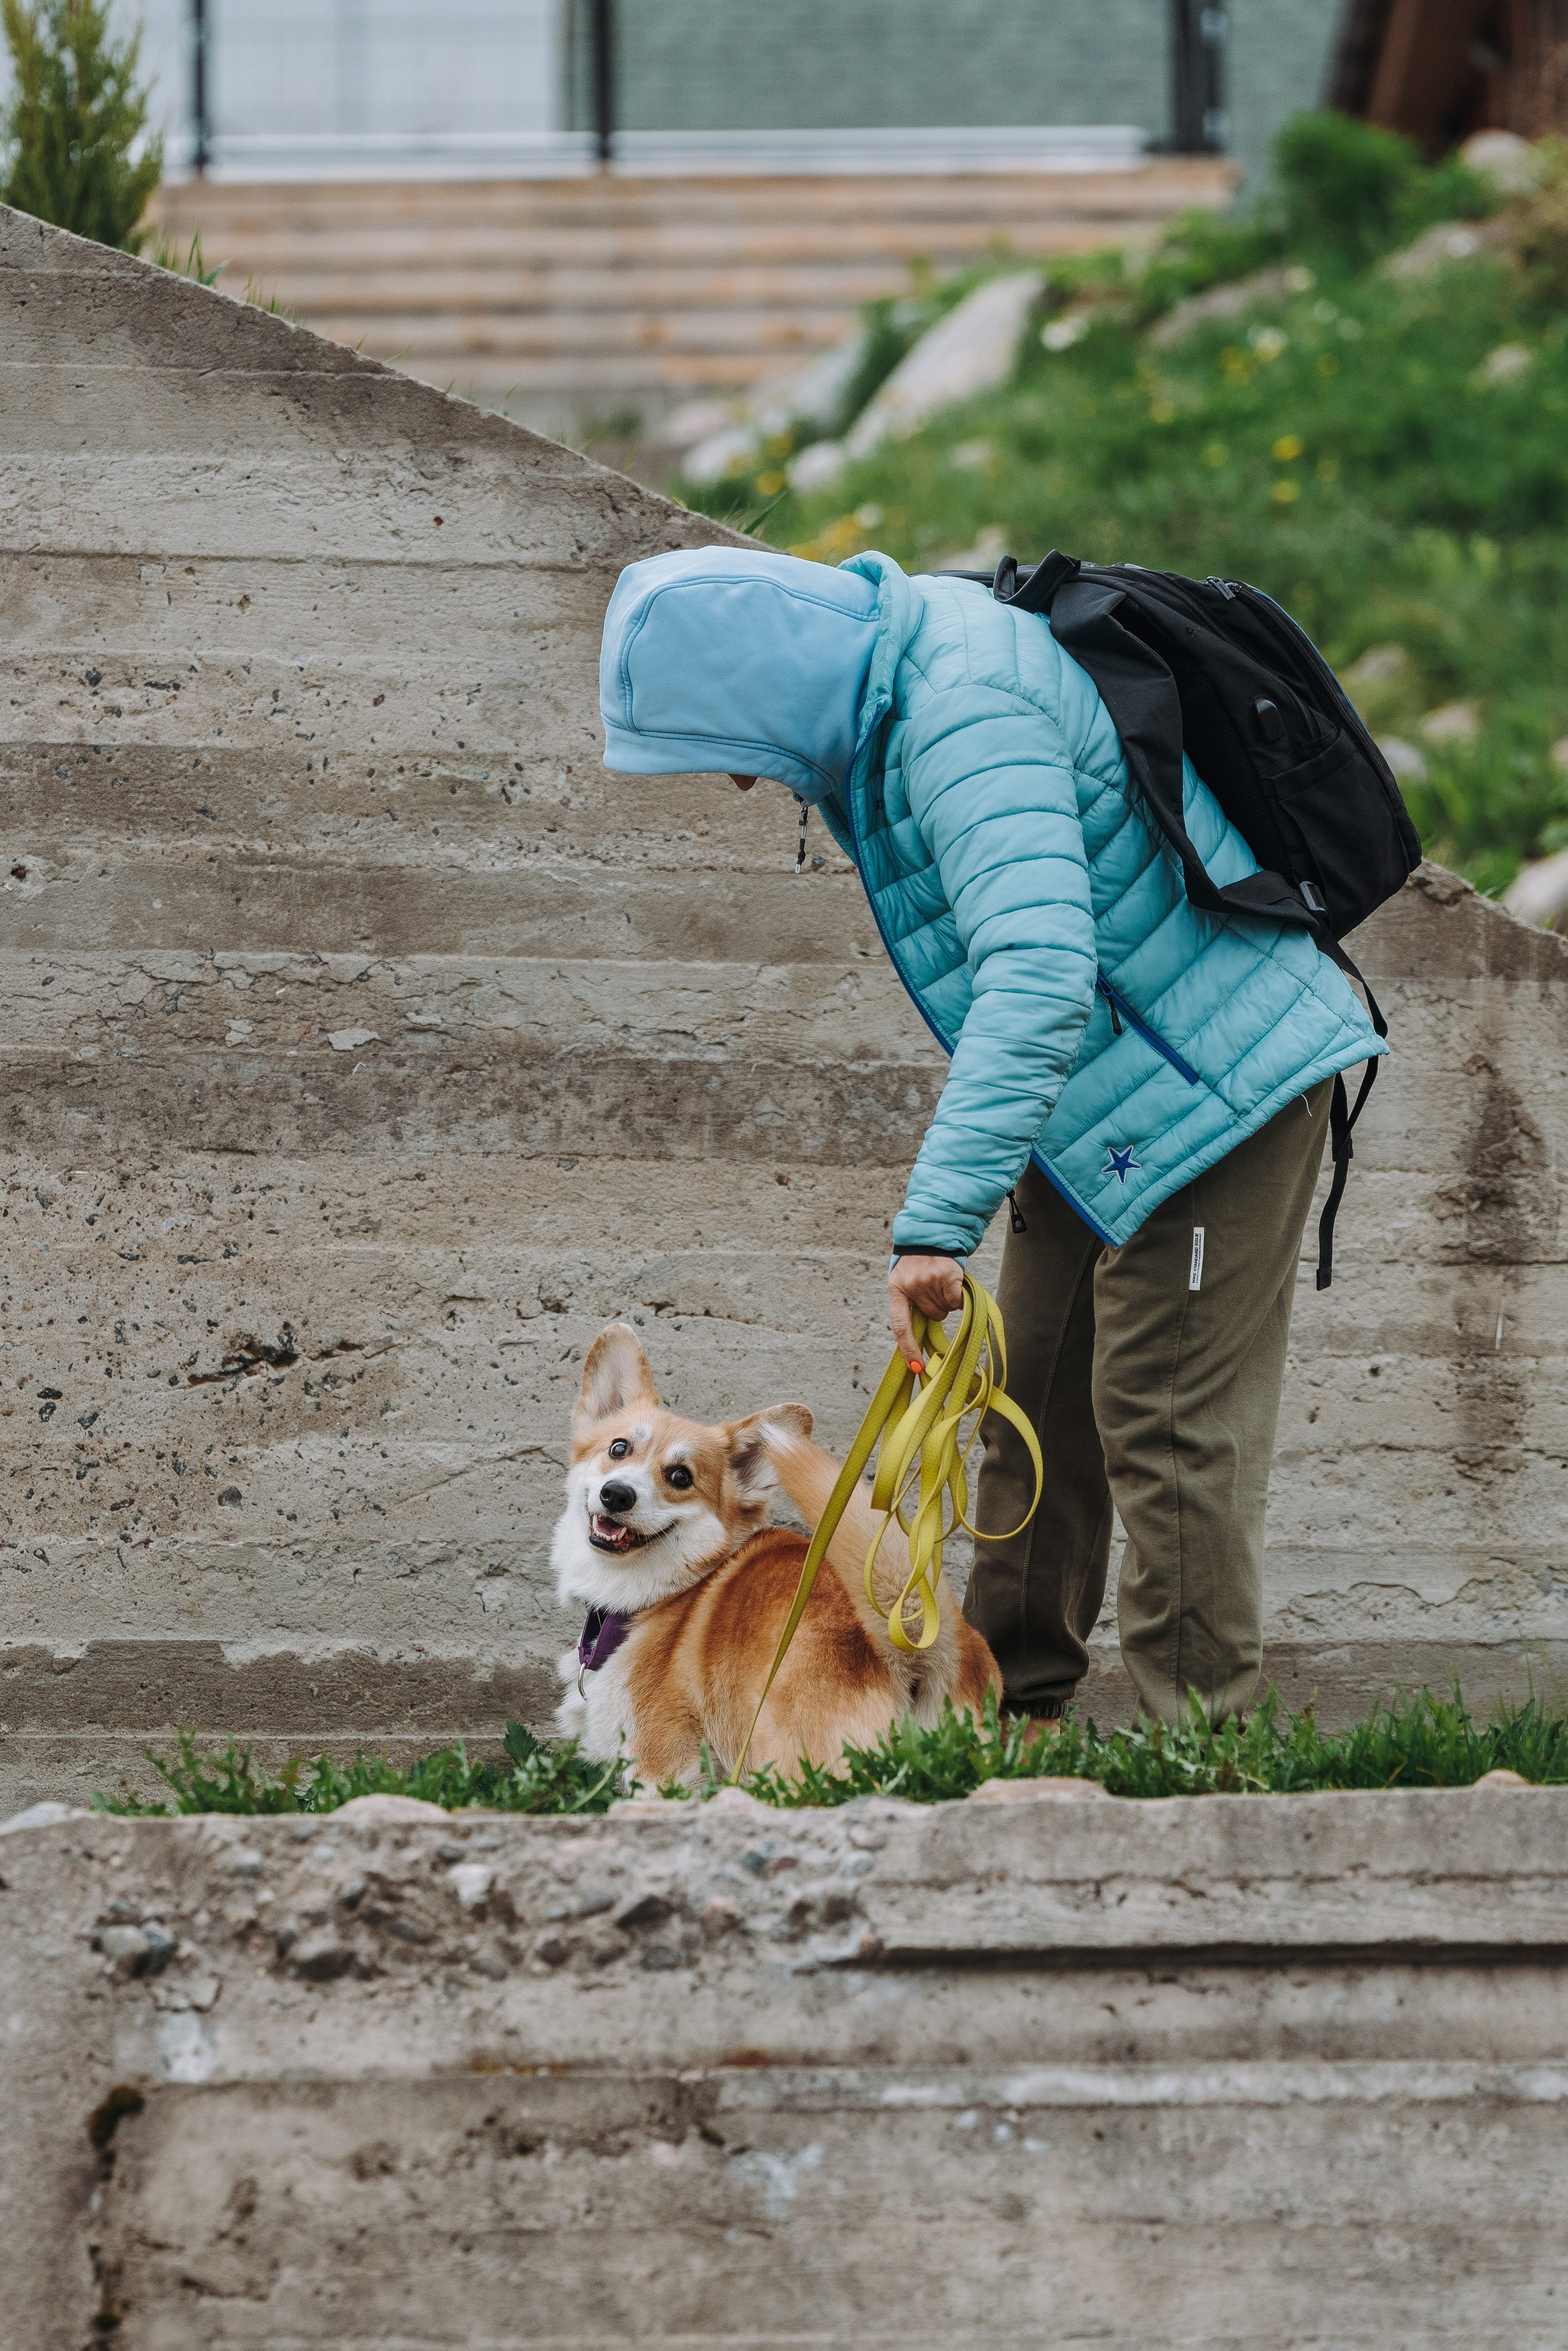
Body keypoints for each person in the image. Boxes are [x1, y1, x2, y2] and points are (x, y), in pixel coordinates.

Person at [598, 544, 1382, 1726]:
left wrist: (936, 1222)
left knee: (1165, 1426)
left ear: (768, 691)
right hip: (1103, 1106)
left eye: (727, 750)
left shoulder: (962, 710)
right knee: (1035, 1416)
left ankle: (1205, 1754)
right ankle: (1012, 1722)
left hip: (1219, 1092)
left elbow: (1040, 975)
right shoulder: (890, 706)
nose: (740, 787)